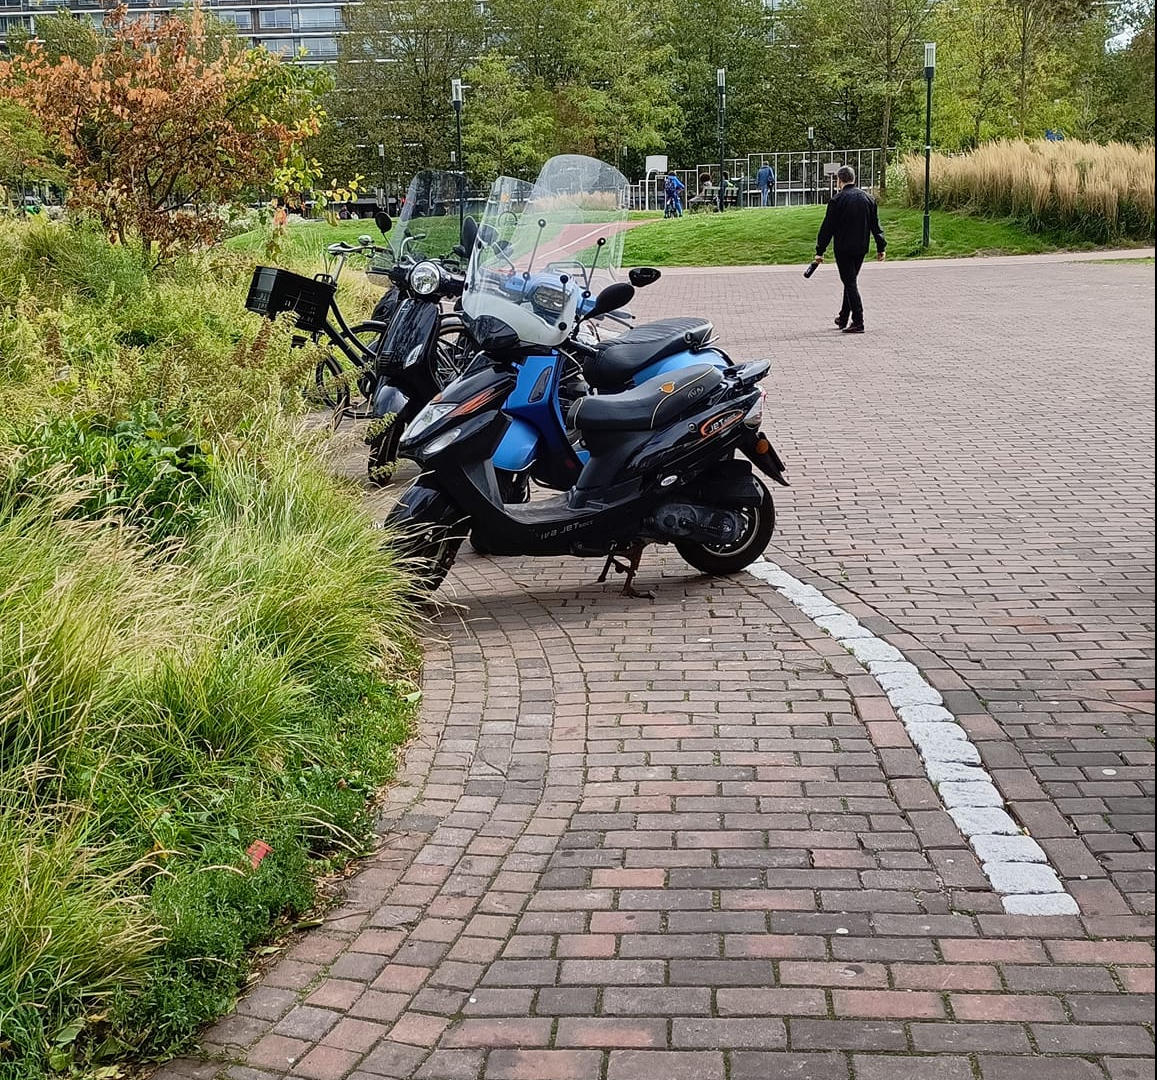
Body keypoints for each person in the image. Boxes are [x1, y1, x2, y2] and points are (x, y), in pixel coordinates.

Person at [813, 165, 886, 334]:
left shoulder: (837, 200)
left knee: (850, 282)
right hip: (861, 247)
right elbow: (876, 225)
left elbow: (827, 228)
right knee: (850, 280)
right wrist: (881, 246)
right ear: (854, 178)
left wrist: (820, 250)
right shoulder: (869, 199)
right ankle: (844, 316)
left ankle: (858, 321)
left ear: (839, 180)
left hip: (843, 248)